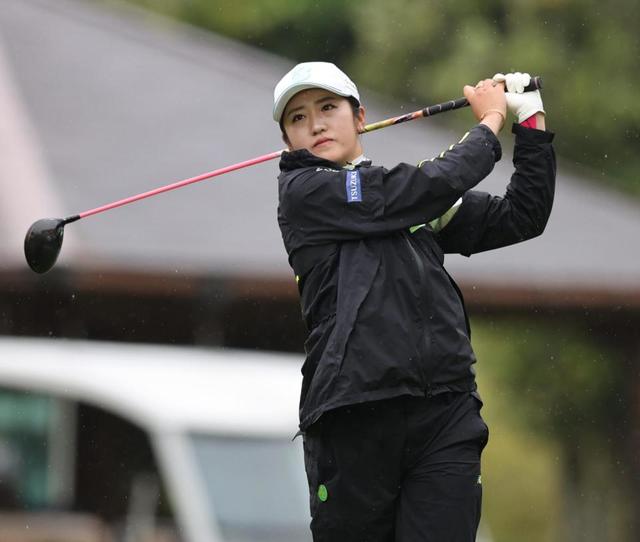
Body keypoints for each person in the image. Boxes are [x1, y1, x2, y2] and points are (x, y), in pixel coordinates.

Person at [274, 62, 555, 541]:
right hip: (353, 420)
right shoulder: (305, 193)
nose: (316, 124)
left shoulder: (409, 203)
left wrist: (529, 120)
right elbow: (421, 187)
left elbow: (521, 215)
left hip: (443, 414)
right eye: (298, 118)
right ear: (287, 142)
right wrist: (489, 124)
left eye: (327, 108)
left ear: (359, 117)